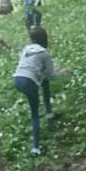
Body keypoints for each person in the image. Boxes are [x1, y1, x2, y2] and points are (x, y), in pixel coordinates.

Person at [13, 27, 64, 156]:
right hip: (29, 82)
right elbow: (52, 75)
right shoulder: (44, 53)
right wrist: (62, 72)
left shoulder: (26, 49)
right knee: (34, 113)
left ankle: (49, 113)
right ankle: (35, 148)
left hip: (18, 78)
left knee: (44, 81)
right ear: (44, 39)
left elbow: (33, 68)